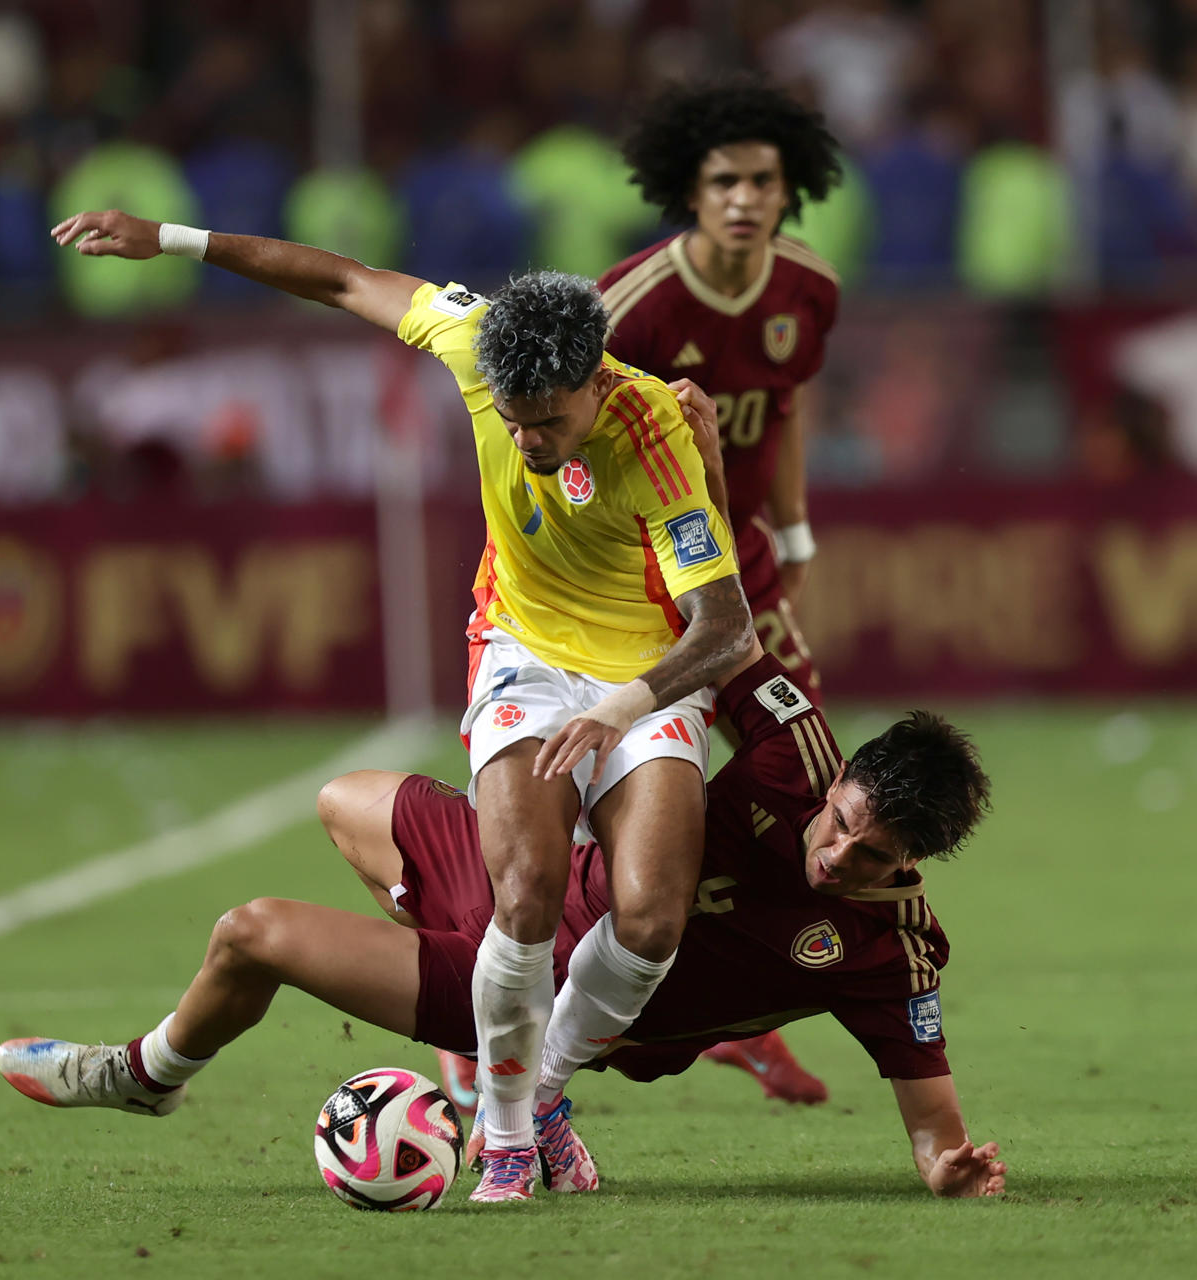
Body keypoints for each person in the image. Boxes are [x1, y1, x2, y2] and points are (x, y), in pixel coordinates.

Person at [49, 211, 755, 1202]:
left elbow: (726, 629)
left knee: (650, 919)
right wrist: (171, 241)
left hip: (647, 671)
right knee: (524, 889)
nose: (526, 437)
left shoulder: (658, 432)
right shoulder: (474, 343)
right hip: (523, 653)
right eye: (511, 416)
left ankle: (539, 1088)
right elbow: (342, 280)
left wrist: (625, 704)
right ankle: (508, 1140)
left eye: (546, 418)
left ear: (599, 380)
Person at [0, 649, 1005, 1200]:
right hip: (536, 875)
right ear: (842, 782)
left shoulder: (896, 952)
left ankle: (144, 1074)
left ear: (916, 862)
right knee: (345, 800)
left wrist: (948, 1166)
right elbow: (713, 629)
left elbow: (932, 1129)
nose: (836, 856)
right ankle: (483, 1054)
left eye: (872, 856)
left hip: (550, 982)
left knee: (249, 931)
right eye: (841, 823)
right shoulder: (797, 745)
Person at [601, 75, 848, 1102]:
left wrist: (789, 522)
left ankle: (740, 1007)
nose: (746, 198)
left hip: (743, 575)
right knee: (622, 806)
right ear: (687, 192)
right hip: (636, 583)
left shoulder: (808, 289)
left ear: (789, 188)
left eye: (763, 180)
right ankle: (543, 1009)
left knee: (806, 774)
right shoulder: (632, 304)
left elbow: (782, 408)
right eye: (724, 182)